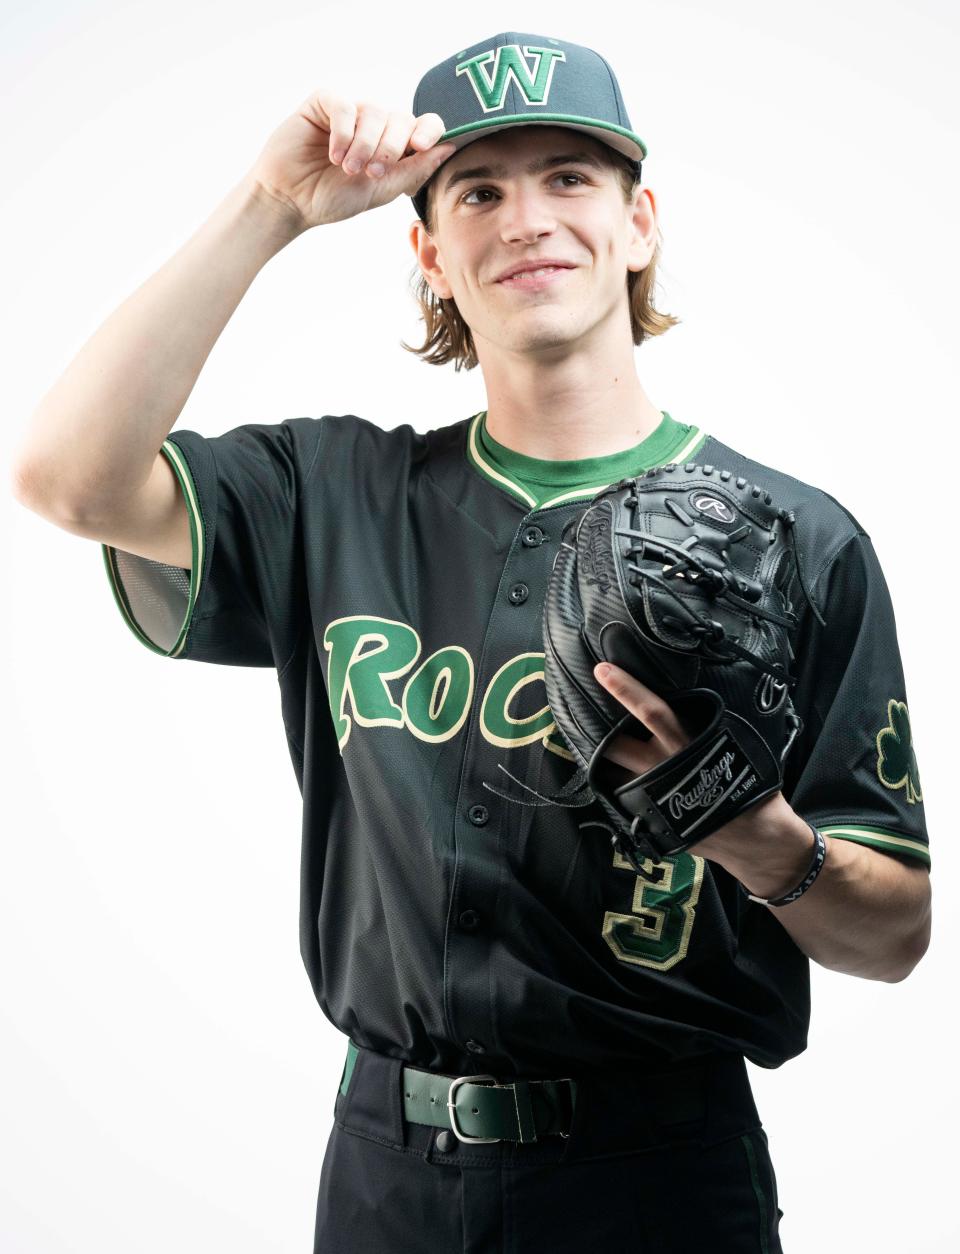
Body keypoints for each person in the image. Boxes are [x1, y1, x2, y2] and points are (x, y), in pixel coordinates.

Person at [11, 30, 931, 1254]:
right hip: (387, 1178)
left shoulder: (796, 542)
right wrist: (271, 208)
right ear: (429, 254)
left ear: (639, 221)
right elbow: (67, 479)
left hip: (660, 1177)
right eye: (479, 191)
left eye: (569, 177)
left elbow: (896, 932)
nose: (525, 218)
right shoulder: (334, 495)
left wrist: (756, 838)